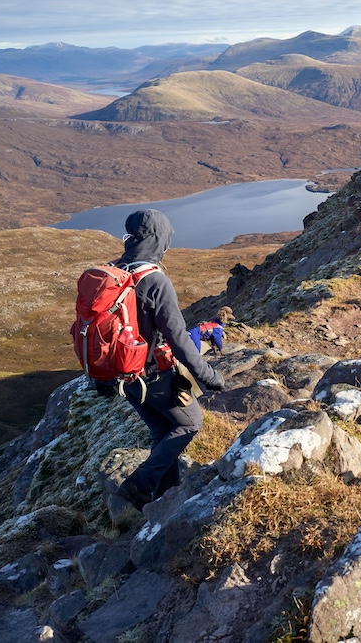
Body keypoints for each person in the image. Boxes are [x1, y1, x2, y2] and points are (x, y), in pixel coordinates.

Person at [111, 209, 225, 511]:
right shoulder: (154, 282)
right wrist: (210, 376)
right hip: (151, 375)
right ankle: (139, 486)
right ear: (159, 239)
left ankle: (163, 501)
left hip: (123, 376)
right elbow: (179, 341)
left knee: (163, 431)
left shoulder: (114, 272)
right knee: (190, 423)